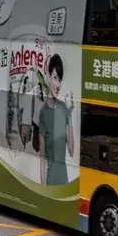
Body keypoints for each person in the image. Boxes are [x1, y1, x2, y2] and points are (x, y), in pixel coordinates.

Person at [32, 53, 74, 186]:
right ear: (49, 77)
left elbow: (71, 151)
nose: (57, 84)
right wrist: (44, 188)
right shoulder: (43, 113)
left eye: (60, 79)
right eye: (55, 78)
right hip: (50, 183)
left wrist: (70, 115)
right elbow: (42, 158)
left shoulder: (63, 108)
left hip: (65, 182)